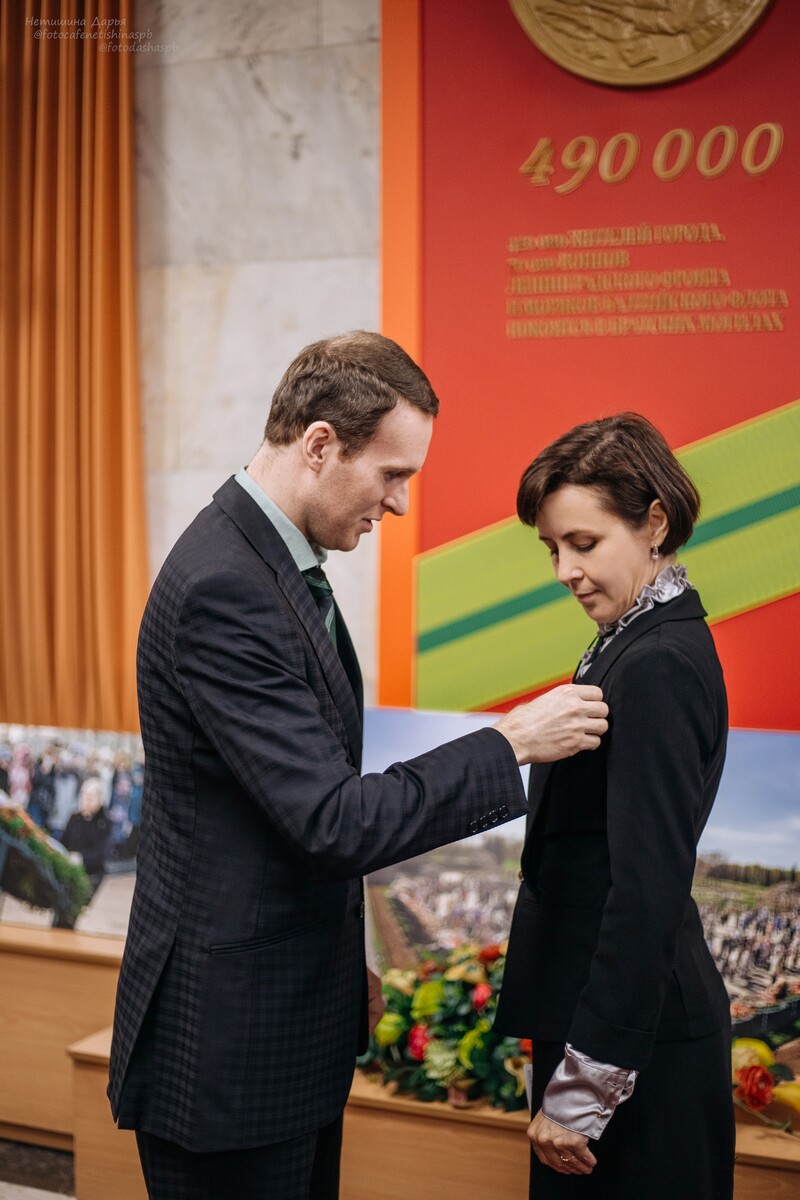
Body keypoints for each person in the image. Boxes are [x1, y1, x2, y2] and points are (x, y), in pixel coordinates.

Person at [107, 331, 608, 1200]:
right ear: (319, 445)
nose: (402, 503)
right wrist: (511, 743)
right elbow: (331, 818)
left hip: (285, 1022)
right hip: (227, 1052)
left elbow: (275, 820)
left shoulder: (272, 561)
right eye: (392, 474)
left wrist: (347, 963)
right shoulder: (226, 586)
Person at [494, 413, 734, 1199]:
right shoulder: (634, 637)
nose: (565, 570)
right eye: (552, 549)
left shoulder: (656, 659)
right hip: (607, 1031)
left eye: (584, 543)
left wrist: (582, 1089)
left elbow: (647, 890)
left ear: (654, 522)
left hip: (634, 1054)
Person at [60, 776, 112, 898]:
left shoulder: (105, 823)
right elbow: (63, 841)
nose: (86, 800)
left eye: (91, 797)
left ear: (100, 799)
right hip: (70, 869)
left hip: (91, 873)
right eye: (84, 795)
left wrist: (81, 858)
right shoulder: (75, 818)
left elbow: (102, 852)